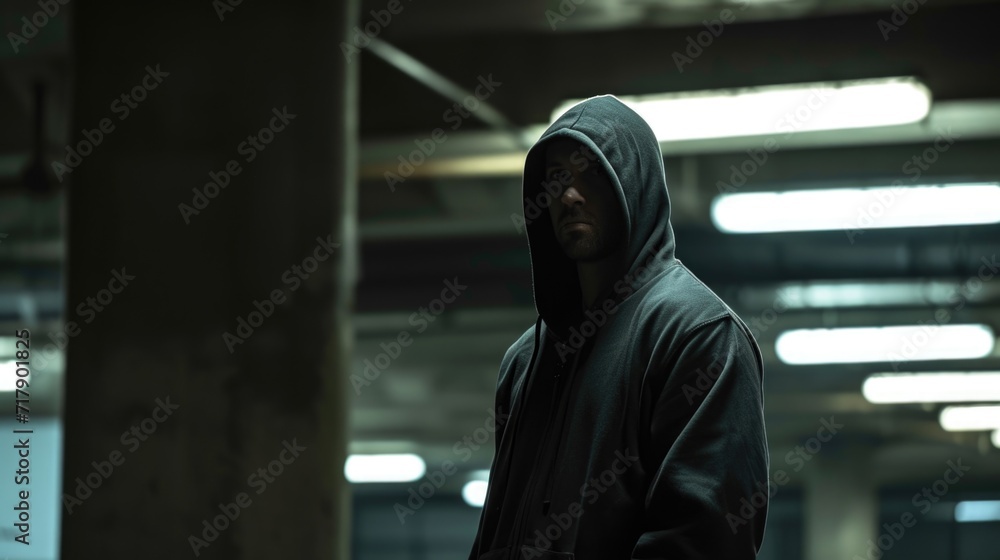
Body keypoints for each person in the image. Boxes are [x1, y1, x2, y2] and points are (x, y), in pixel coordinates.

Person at [468, 95, 768, 559]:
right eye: (557, 178)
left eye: (590, 172)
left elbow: (702, 542)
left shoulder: (699, 336)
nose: (568, 194)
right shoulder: (524, 362)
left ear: (632, 183)